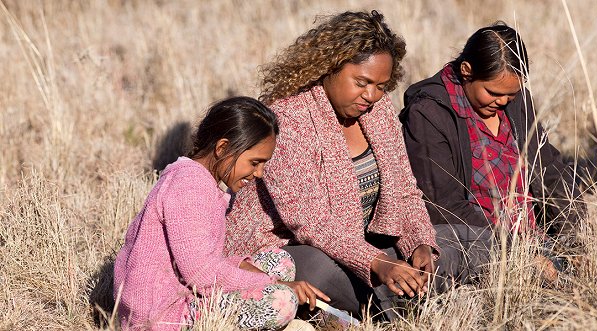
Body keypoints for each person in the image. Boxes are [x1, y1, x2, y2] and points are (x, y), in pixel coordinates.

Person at [224, 11, 439, 319]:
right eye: (362, 82)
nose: (371, 95)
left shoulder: (377, 110)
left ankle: (399, 298)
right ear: (329, 68)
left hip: (359, 244)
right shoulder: (289, 118)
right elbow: (311, 223)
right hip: (287, 250)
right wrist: (377, 263)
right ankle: (398, 307)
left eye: (381, 85)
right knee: (318, 272)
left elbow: (405, 191)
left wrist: (420, 244)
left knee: (455, 243)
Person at [113, 97, 329, 330]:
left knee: (280, 261)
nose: (259, 173)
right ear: (222, 148)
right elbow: (201, 274)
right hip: (162, 315)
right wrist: (272, 285)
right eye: (255, 162)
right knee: (281, 301)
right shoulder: (188, 186)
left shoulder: (201, 181)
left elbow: (203, 262)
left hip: (185, 293)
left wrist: (263, 277)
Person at [400, 22, 585, 288]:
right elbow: (443, 206)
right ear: (466, 72)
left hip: (535, 239)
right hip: (474, 246)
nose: (502, 102)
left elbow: (549, 168)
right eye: (494, 93)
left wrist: (574, 240)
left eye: (511, 95)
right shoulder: (429, 114)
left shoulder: (517, 101)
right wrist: (516, 253)